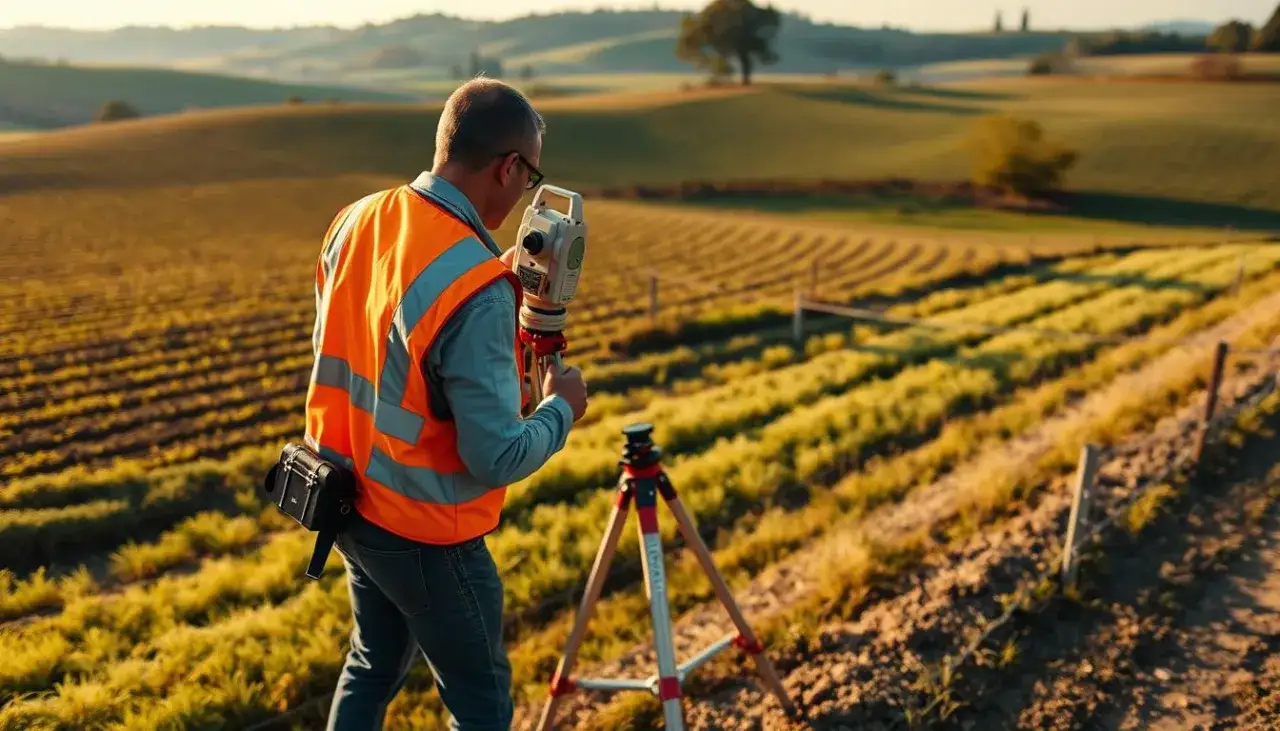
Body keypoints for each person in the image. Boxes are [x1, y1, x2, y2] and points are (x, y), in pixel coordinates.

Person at [305, 77, 589, 731]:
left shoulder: (357, 218)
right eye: (529, 175)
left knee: (371, 665)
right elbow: (494, 455)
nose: (524, 194)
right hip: (427, 530)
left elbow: (386, 354)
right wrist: (560, 408)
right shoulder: (475, 284)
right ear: (509, 166)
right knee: (482, 702)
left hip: (348, 498)